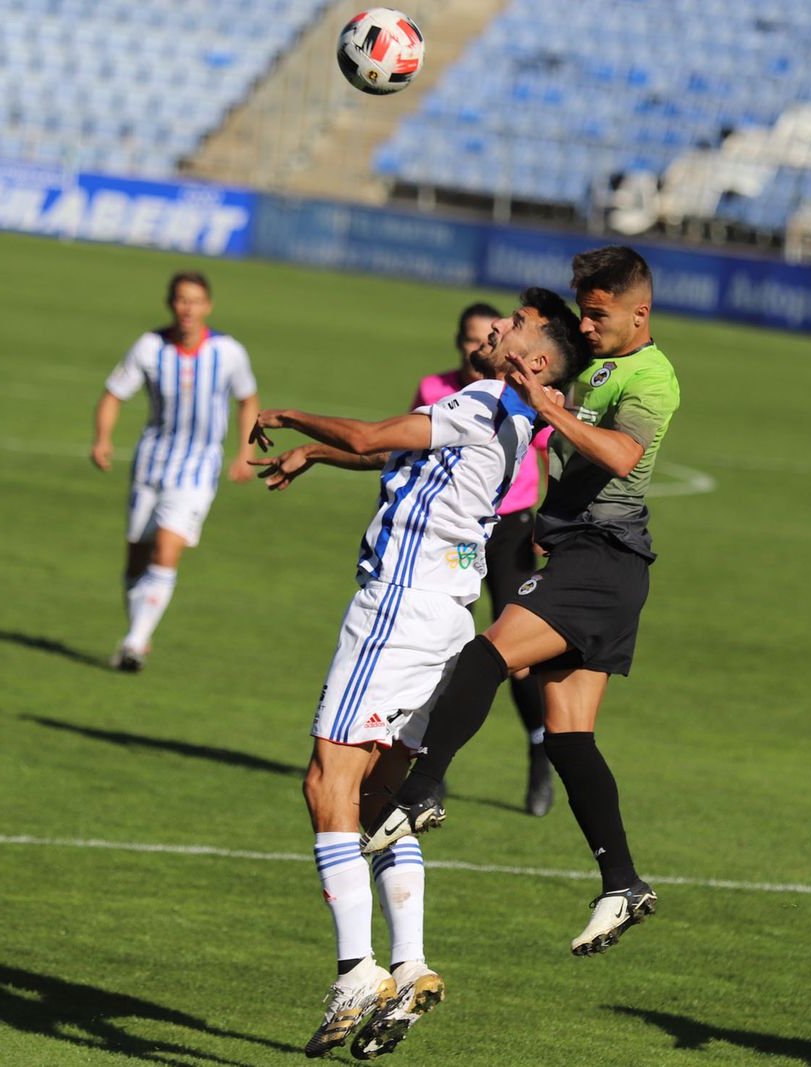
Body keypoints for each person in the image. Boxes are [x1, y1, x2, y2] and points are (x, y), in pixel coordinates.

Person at [253, 289, 584, 1059]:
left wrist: (293, 416)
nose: (497, 326)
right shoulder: (517, 417)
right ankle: (408, 963)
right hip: (447, 615)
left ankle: (354, 969)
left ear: (534, 360)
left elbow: (373, 432)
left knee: (326, 783)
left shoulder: (480, 401)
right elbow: (384, 453)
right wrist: (320, 455)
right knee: (383, 798)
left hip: (398, 609)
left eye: (517, 326)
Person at [364, 246, 682, 959]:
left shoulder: (652, 377)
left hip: (600, 560)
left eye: (598, 313)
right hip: (593, 562)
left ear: (641, 312)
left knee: (486, 654)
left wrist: (550, 410)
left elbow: (624, 457)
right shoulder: (601, 365)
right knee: (569, 735)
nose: (587, 325)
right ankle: (621, 881)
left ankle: (422, 790)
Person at [413, 302, 556, 817]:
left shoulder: (521, 395)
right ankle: (429, 765)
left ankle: (540, 754)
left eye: (491, 333)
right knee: (446, 644)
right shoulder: (434, 389)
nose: (482, 342)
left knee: (515, 657)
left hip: (512, 525)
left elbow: (550, 447)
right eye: (472, 336)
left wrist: (549, 520)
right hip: (456, 530)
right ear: (460, 341)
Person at [90, 271, 259, 672]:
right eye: (181, 300)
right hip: (151, 462)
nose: (188, 309)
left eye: (195, 301)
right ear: (171, 304)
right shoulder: (150, 348)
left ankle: (134, 641)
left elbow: (248, 399)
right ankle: (137, 635)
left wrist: (244, 451)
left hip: (199, 467)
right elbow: (113, 395)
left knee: (167, 550)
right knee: (136, 556)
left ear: (208, 307)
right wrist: (102, 439)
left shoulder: (228, 352)